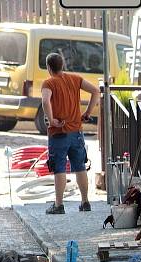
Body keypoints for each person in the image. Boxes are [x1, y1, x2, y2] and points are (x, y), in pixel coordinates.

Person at [41, 52, 100, 214]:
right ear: (62, 66)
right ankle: (85, 202)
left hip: (58, 132)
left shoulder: (48, 83)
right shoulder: (75, 79)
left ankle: (59, 205)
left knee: (59, 167)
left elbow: (46, 101)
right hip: (77, 132)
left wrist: (51, 119)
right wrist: (87, 113)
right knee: (80, 166)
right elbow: (96, 91)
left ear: (48, 67)